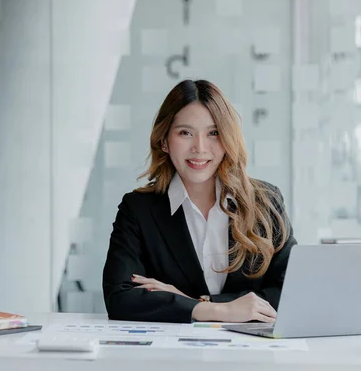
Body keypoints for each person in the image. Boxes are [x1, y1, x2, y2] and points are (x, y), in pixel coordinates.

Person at [102, 79, 297, 323]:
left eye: (213, 133)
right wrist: (218, 311)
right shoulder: (138, 209)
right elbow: (120, 298)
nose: (200, 148)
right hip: (173, 356)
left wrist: (196, 303)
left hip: (251, 354)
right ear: (164, 141)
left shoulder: (265, 202)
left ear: (228, 139)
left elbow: (290, 293)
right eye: (185, 133)